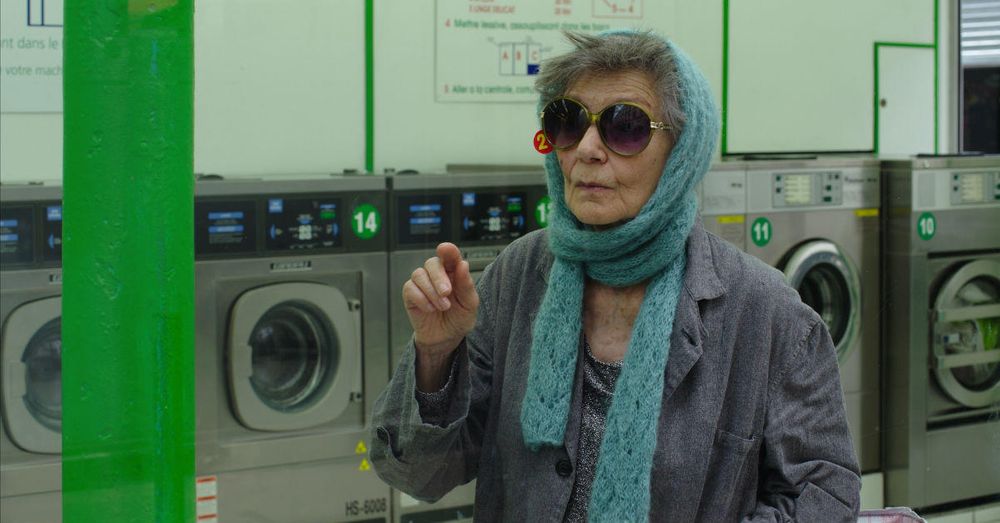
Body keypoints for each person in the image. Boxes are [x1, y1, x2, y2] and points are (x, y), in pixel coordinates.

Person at [369, 30, 861, 522]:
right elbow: (419, 475)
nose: (587, 149)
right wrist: (436, 354)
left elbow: (826, 497)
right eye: (567, 122)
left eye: (625, 127)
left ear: (682, 152)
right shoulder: (517, 276)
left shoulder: (767, 313)